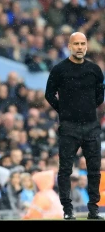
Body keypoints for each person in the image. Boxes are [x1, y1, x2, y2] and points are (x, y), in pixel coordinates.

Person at [44, 32, 104, 220]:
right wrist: (65, 111)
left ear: (86, 46)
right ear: (69, 46)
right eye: (76, 43)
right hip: (69, 127)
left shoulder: (95, 70)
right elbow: (49, 94)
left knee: (94, 169)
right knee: (65, 169)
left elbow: (100, 96)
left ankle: (93, 210)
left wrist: (85, 109)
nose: (79, 47)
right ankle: (67, 210)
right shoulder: (59, 69)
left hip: (91, 126)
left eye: (82, 43)